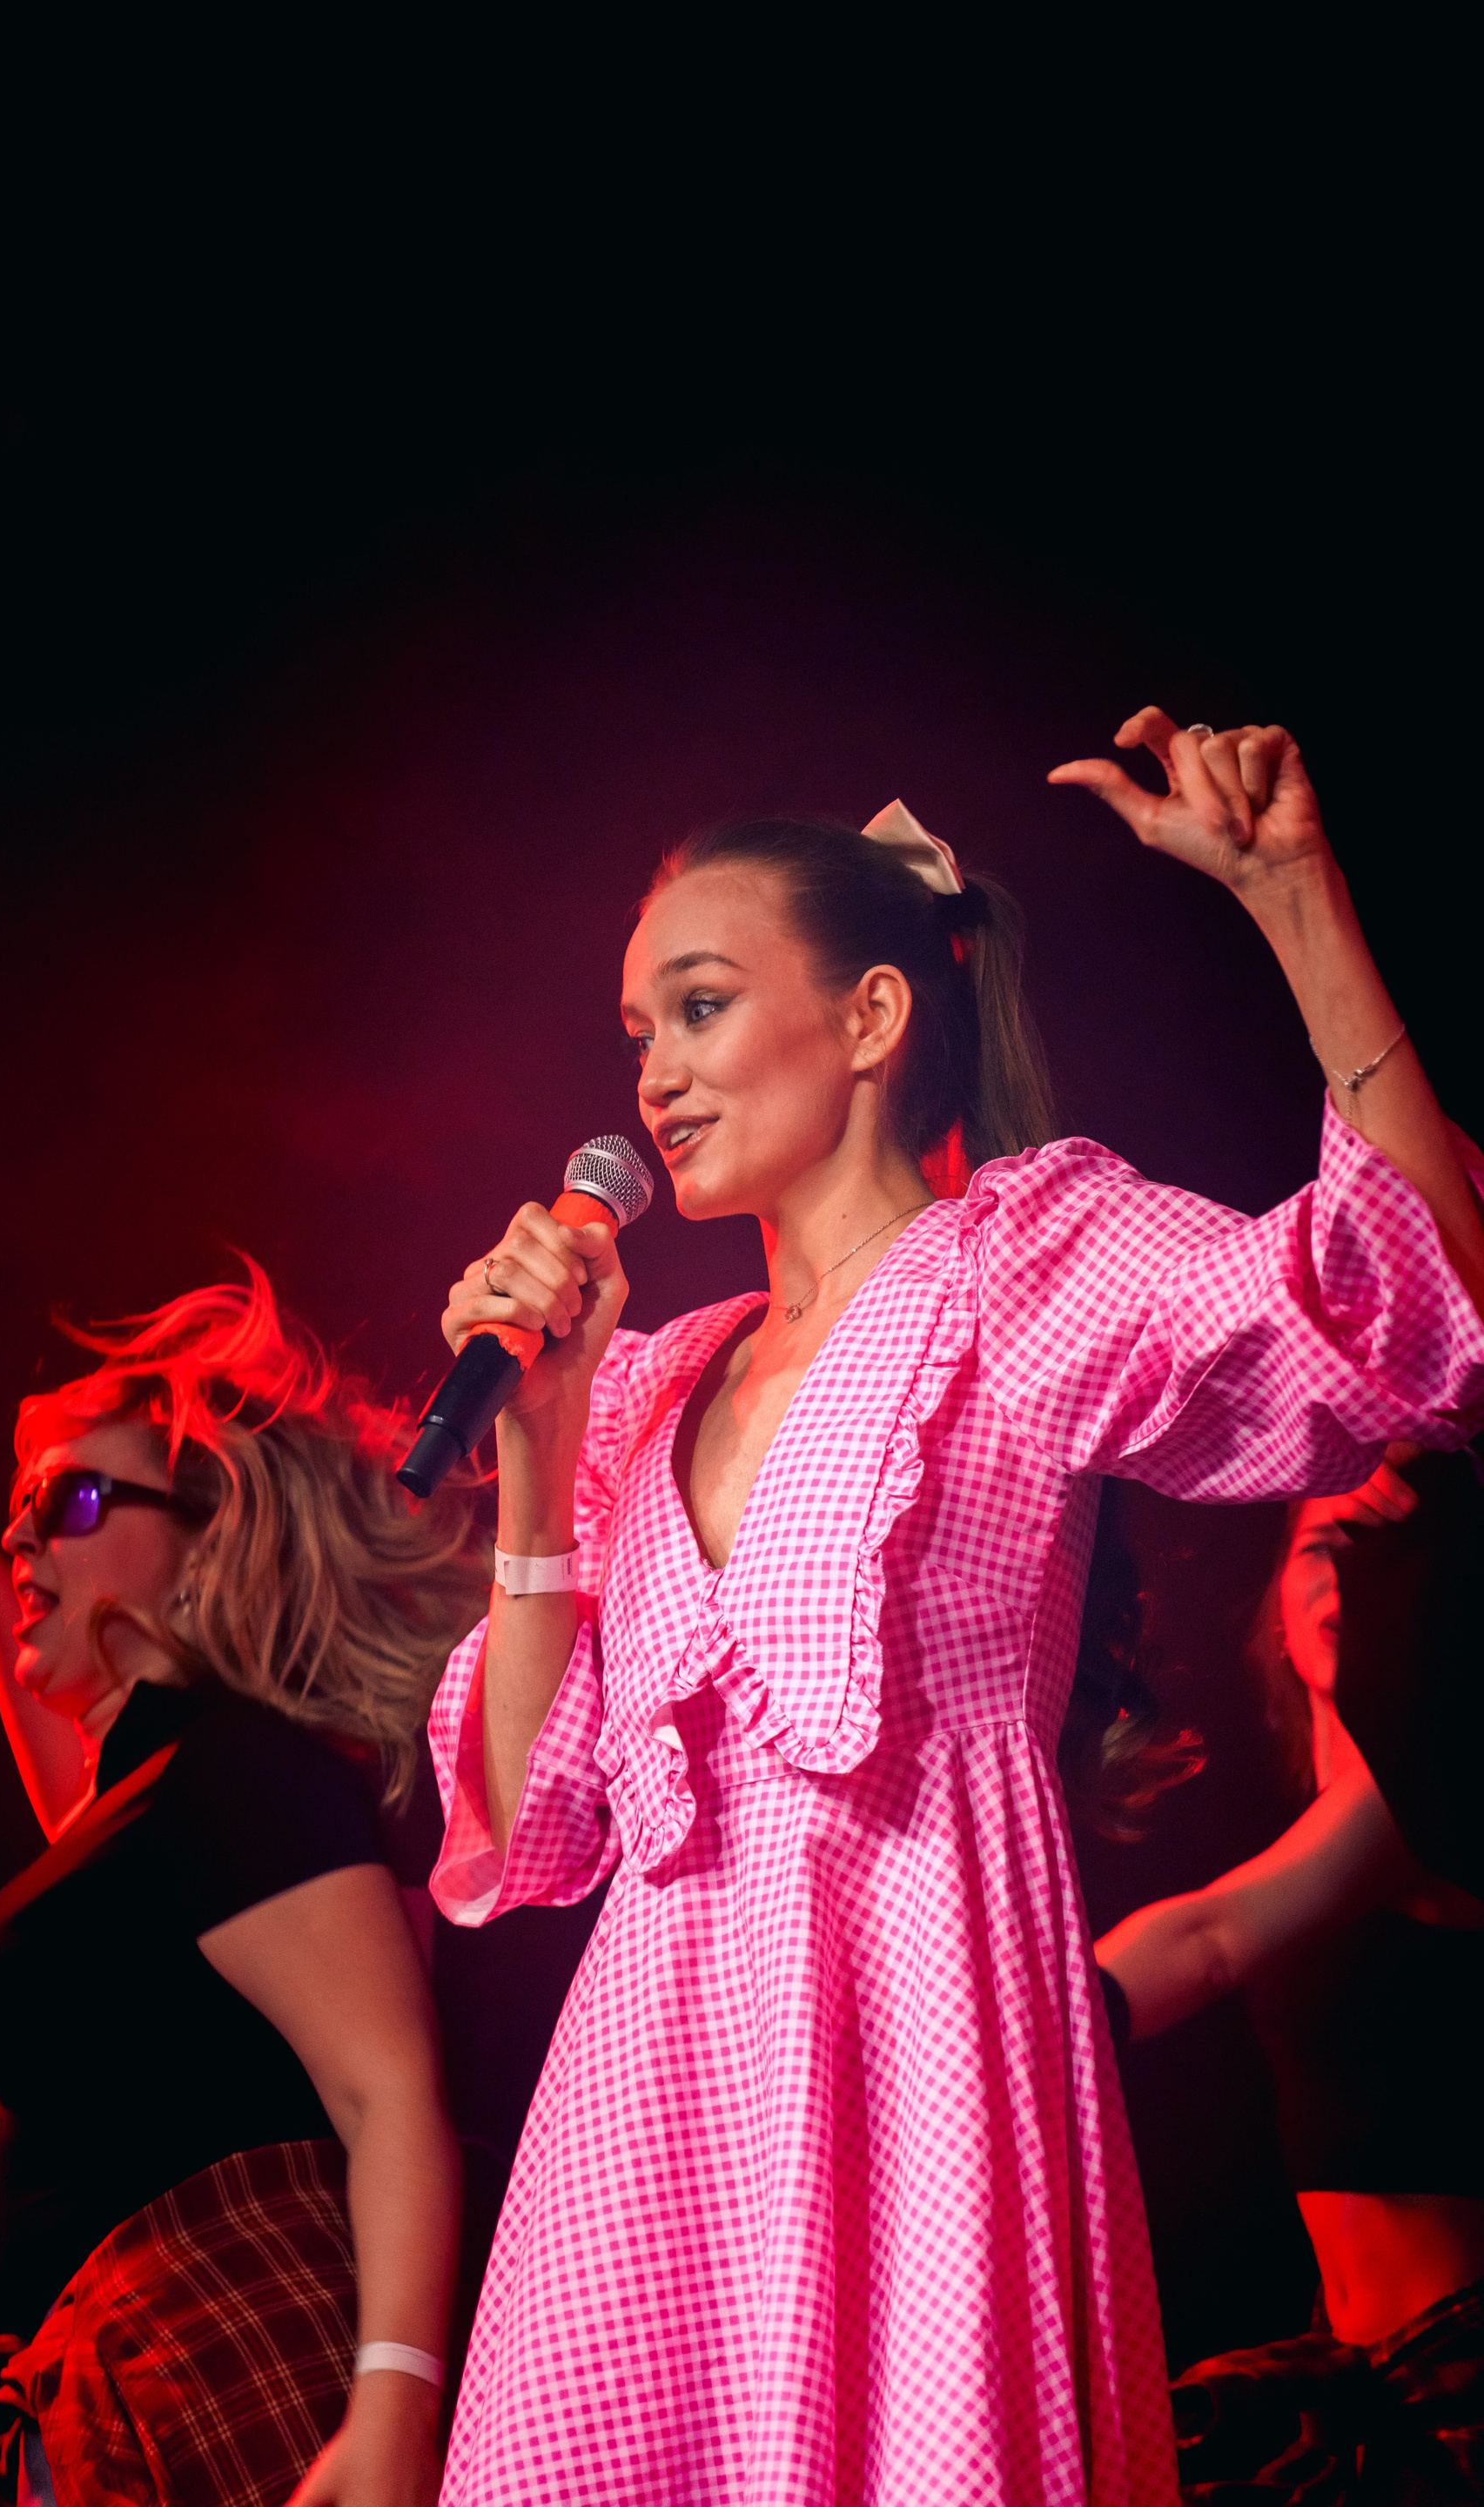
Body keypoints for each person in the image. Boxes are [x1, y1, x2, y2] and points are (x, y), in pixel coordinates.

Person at [423, 711, 1484, 2507]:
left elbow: (1410, 1309)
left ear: (872, 1018)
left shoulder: (1022, 1260)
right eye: (636, 1033)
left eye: (698, 1006)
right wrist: (537, 1444)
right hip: (648, 2113)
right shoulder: (643, 1385)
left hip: (920, 2057)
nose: (654, 1077)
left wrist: (1299, 903)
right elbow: (527, 1830)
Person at [0, 1267, 483, 2507]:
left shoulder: (243, 1776)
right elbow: (95, 1865)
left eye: (68, 1499)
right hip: (128, 2380)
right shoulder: (168, 1796)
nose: (25, 1532)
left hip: (224, 2359)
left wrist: (395, 2406)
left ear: (207, 1540)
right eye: (20, 1507)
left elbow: (390, 2090)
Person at [1096, 1448, 1484, 2498]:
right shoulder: (1312, 1817)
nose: (1340, 1579)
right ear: (1272, 1596)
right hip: (1353, 2364)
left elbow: (1210, 1940)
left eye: (1369, 1548)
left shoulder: (1424, 1806)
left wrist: (1015, 2017)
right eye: (1320, 1548)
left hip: (1455, 2382)